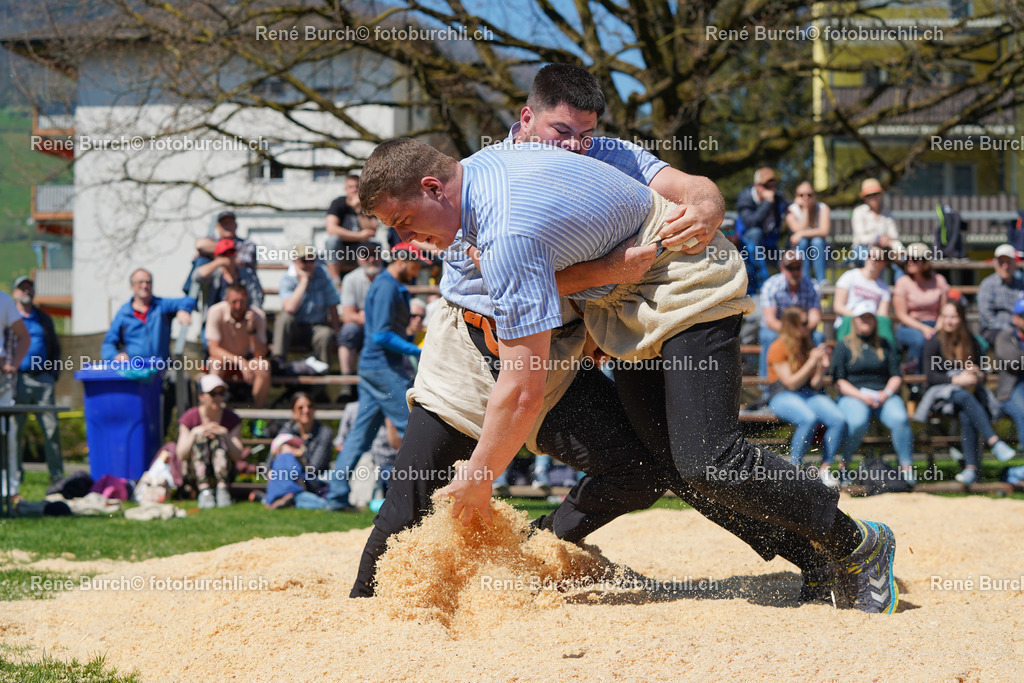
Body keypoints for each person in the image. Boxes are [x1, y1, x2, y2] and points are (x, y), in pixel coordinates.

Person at [359, 136, 900, 613]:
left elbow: (522, 389)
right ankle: (819, 554)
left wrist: (478, 480)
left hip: (685, 286)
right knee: (672, 464)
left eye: (404, 223)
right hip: (628, 312)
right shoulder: (492, 163)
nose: (408, 240)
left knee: (708, 458)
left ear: (434, 186)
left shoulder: (508, 225)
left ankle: (857, 542)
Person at [325, 243, 430, 510]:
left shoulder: (390, 285)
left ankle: (336, 496)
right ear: (402, 260)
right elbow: (380, 335)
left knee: (359, 435)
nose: (418, 271)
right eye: (416, 265)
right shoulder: (386, 287)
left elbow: (384, 331)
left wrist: (407, 338)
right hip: (383, 368)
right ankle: (418, 496)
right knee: (412, 427)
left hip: (374, 367)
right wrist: (416, 349)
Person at [914, 301, 1016, 485]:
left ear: (961, 319)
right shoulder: (933, 342)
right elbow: (931, 377)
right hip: (940, 396)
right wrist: (956, 380)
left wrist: (976, 373)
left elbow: (983, 372)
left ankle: (971, 470)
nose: (949, 321)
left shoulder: (972, 341)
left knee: (965, 410)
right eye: (945, 316)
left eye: (953, 316)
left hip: (967, 398)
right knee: (962, 396)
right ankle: (994, 441)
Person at [101, 268, 196, 435]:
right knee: (146, 422)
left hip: (163, 370)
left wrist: (183, 310)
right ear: (132, 286)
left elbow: (189, 300)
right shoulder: (123, 315)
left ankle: (188, 432)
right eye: (140, 282)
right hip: (137, 373)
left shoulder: (161, 306)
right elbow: (108, 345)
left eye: (148, 282)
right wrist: (115, 356)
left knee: (183, 381)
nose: (145, 286)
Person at [832, 302, 914, 485]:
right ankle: (844, 467)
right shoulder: (844, 345)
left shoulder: (885, 344)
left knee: (900, 418)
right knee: (857, 422)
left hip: (882, 394)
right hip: (854, 394)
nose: (866, 321)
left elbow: (896, 376)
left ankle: (907, 468)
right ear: (855, 321)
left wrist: (885, 393)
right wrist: (862, 396)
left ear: (875, 320)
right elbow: (839, 381)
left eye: (869, 317)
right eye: (862, 318)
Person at [766, 306, 846, 469]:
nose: (809, 325)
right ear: (792, 325)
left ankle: (825, 468)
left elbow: (816, 385)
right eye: (804, 322)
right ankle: (794, 469)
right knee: (808, 419)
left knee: (838, 420)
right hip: (781, 395)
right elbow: (791, 383)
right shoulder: (778, 347)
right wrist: (811, 362)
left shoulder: (807, 343)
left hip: (807, 394)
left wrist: (821, 367)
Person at [11, 276, 63, 485]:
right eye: (22, 288)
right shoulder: (9, 319)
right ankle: (14, 477)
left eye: (29, 287)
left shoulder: (43, 319)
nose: (26, 291)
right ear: (15, 292)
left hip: (43, 380)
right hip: (17, 381)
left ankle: (56, 476)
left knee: (51, 429)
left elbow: (55, 348)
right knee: (14, 431)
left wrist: (52, 375)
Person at [176, 374, 244, 508]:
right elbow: (181, 455)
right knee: (201, 438)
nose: (218, 398)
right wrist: (194, 433)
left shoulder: (231, 419)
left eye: (221, 393)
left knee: (218, 439)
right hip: (194, 474)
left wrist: (225, 434)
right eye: (213, 394)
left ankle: (222, 489)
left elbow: (237, 456)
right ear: (201, 396)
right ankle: (204, 490)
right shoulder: (189, 418)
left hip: (225, 473)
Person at [758, 249, 823, 382]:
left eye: (798, 267)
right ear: (782, 268)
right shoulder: (770, 286)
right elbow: (770, 321)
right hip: (777, 330)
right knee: (768, 337)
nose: (794, 272)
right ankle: (766, 384)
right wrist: (793, 331)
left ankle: (816, 381)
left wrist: (800, 330)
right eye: (790, 268)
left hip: (803, 329)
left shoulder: (813, 286)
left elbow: (815, 318)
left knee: (818, 336)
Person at [204, 283, 271, 408]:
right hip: (225, 359)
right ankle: (214, 412)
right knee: (215, 364)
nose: (239, 306)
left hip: (249, 359)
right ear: (226, 300)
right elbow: (213, 349)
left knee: (264, 366)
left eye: (242, 301)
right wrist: (239, 361)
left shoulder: (258, 316)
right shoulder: (215, 311)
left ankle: (257, 417)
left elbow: (260, 354)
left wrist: (252, 330)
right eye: (234, 301)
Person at [273, 245, 339, 367]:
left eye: (311, 260)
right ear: (295, 261)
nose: (308, 264)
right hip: (294, 330)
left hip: (316, 328)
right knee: (284, 318)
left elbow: (333, 306)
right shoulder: (288, 279)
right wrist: (304, 282)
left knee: (326, 334)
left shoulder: (323, 274)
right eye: (304, 261)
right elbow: (289, 308)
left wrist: (337, 334)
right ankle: (278, 361)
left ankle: (322, 374)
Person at [892, 243, 949, 373]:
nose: (910, 262)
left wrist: (937, 328)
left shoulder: (939, 280)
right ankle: (916, 380)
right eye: (908, 259)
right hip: (910, 326)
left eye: (915, 259)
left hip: (936, 324)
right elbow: (901, 315)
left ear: (925, 262)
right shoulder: (903, 282)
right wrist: (924, 329)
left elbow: (944, 310)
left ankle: (941, 377)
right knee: (920, 340)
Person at [0, 287, 31, 500]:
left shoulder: (4, 301)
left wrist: (14, 364)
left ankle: (9, 492)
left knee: (6, 436)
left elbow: (24, 337)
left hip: (1, 381)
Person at [337, 242, 384, 382]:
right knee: (348, 331)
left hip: (383, 326)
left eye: (374, 254)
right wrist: (374, 317)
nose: (371, 258)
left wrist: (363, 315)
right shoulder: (350, 279)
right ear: (358, 258)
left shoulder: (389, 277)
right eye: (365, 255)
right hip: (365, 327)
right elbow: (347, 316)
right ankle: (346, 383)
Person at [833, 245, 893, 344]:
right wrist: (860, 317)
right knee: (849, 320)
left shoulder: (884, 288)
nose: (872, 260)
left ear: (884, 263)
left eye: (877, 258)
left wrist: (868, 320)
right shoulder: (849, 276)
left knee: (884, 322)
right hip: (849, 322)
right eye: (870, 256)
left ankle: (889, 356)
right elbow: (838, 306)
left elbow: (882, 314)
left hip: (871, 325)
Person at [736, 167, 788, 282]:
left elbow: (788, 207)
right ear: (757, 186)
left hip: (769, 244)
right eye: (767, 186)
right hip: (746, 244)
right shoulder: (745, 198)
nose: (772, 190)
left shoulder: (777, 198)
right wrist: (767, 203)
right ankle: (763, 281)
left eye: (774, 186)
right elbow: (751, 223)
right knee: (756, 233)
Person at [325, 175, 377, 281]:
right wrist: (359, 236)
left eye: (357, 186)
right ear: (345, 189)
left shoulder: (367, 205)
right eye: (351, 187)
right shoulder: (338, 203)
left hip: (361, 251)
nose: (354, 190)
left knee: (376, 243)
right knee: (332, 241)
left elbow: (372, 230)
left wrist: (358, 209)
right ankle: (335, 281)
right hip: (342, 252)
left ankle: (371, 280)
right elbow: (331, 229)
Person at [260, 432, 328, 509]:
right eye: (291, 445)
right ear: (280, 447)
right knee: (319, 503)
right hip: (291, 491)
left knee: (297, 502)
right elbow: (295, 472)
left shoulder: (275, 461)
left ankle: (273, 503)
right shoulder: (288, 456)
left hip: (274, 494)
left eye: (295, 446)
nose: (294, 448)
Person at [990, 299, 1024, 453]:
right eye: (1022, 315)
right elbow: (1014, 362)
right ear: (1014, 318)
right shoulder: (1004, 337)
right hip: (1010, 390)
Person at [195, 238, 264, 310]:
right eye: (224, 254)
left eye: (232, 252)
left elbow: (257, 297)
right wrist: (217, 262)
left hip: (241, 318)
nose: (229, 257)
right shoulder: (214, 273)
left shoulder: (246, 274)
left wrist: (252, 314)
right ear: (217, 256)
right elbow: (197, 277)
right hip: (217, 317)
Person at [276, 392, 335, 477]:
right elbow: (270, 462)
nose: (306, 410)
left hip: (315, 482)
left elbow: (314, 470)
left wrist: (298, 457)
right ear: (293, 412)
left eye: (310, 406)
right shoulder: (287, 430)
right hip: (287, 479)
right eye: (300, 408)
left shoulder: (324, 432)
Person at [978, 244, 1024, 347]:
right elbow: (987, 317)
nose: (1005, 266)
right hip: (994, 330)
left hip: (1019, 327)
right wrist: (1011, 327)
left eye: (1008, 262)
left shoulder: (1021, 283)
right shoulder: (988, 285)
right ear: (995, 263)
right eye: (1001, 262)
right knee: (1006, 338)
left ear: (1015, 263)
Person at [785, 181, 831, 284]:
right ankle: (804, 281)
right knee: (803, 242)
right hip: (798, 249)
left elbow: (824, 231)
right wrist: (805, 209)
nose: (805, 198)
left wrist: (801, 233)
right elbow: (798, 230)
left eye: (809, 195)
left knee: (817, 241)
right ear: (796, 196)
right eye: (801, 195)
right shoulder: (791, 210)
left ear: (814, 196)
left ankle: (821, 281)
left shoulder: (823, 208)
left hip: (822, 249)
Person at [850, 178, 902, 266]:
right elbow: (861, 238)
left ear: (880, 195)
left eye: (875, 194)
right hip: (863, 248)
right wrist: (878, 238)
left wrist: (887, 239)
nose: (873, 197)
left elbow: (894, 235)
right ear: (864, 198)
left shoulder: (887, 213)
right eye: (869, 195)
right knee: (875, 259)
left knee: (901, 261)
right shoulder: (859, 211)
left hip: (885, 248)